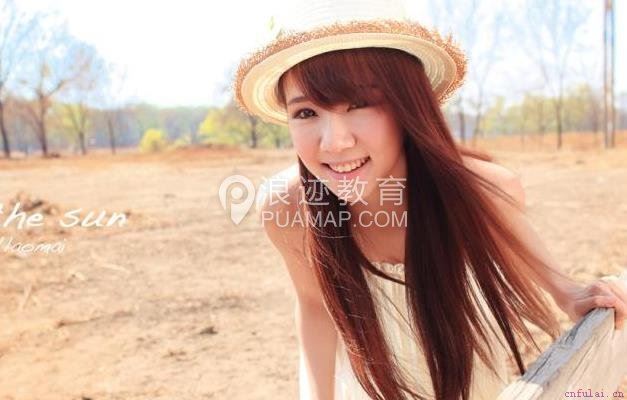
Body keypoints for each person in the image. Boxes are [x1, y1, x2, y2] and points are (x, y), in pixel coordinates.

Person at [232, 1, 627, 399]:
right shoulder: (289, 207)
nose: (334, 142)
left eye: (359, 104)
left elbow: (562, 289)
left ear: (407, 103)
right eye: (305, 113)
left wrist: (577, 296)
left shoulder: (481, 193)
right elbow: (315, 306)